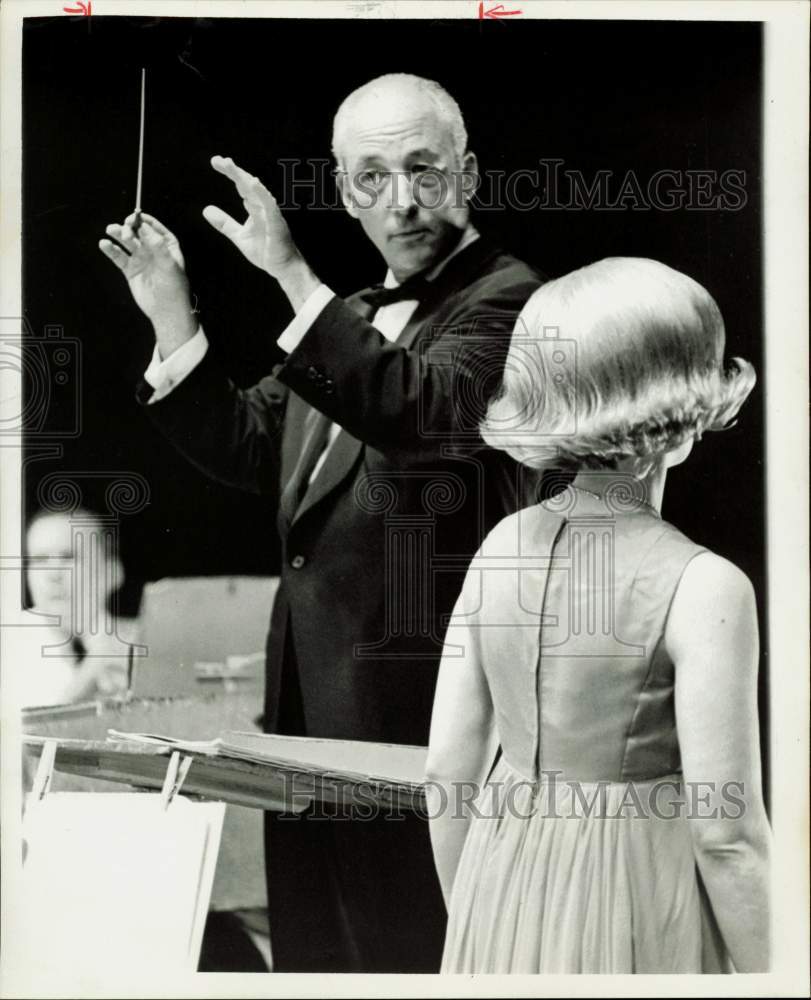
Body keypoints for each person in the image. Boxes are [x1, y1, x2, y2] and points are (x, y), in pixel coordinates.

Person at [99, 73, 545, 971]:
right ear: (344, 191)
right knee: (316, 958)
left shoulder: (510, 299)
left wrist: (293, 276)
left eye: (425, 170)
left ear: (467, 174)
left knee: (415, 957)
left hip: (424, 727)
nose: (404, 201)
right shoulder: (355, 321)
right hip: (308, 717)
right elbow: (256, 444)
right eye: (372, 178)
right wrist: (170, 310)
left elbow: (412, 410)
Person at [425, 257, 771, 973]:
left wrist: (480, 925)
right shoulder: (705, 586)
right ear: (683, 416)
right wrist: (776, 975)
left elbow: (448, 775)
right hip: (639, 900)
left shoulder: (499, 548)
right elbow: (726, 837)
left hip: (500, 890)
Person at [18, 507, 132, 708]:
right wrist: (95, 668)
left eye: (69, 557)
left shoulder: (144, 642)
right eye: (39, 560)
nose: (53, 574)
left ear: (113, 572)